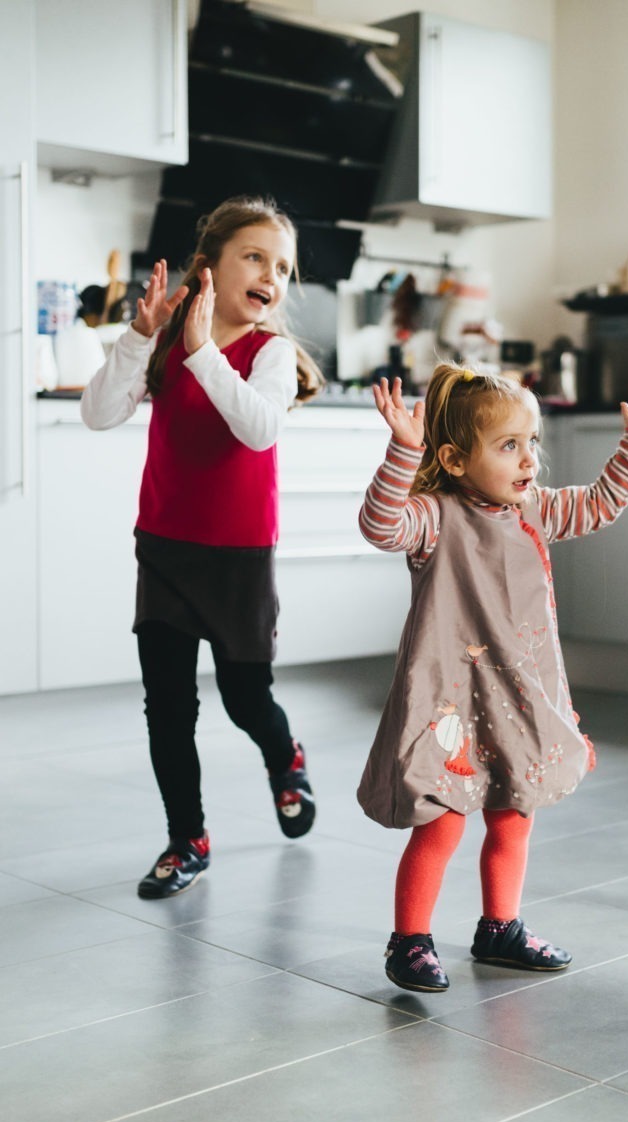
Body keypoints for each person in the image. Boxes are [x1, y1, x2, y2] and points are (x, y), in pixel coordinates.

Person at [358, 367, 628, 992]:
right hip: (452, 700)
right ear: (453, 459)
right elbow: (380, 524)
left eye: (532, 442)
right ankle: (410, 940)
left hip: (520, 697)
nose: (529, 459)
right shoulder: (434, 518)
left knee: (514, 813)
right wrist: (403, 448)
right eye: (509, 445)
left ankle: (500, 928)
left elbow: (600, 503)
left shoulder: (534, 509)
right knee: (444, 820)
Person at [81, 195, 322, 900]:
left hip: (239, 555)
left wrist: (203, 353)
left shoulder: (268, 352)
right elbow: (98, 414)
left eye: (282, 266)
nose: (271, 274)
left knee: (247, 700)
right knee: (168, 705)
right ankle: (187, 839)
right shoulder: (160, 340)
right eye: (255, 256)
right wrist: (139, 336)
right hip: (164, 549)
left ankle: (286, 757)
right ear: (210, 264)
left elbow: (259, 429)